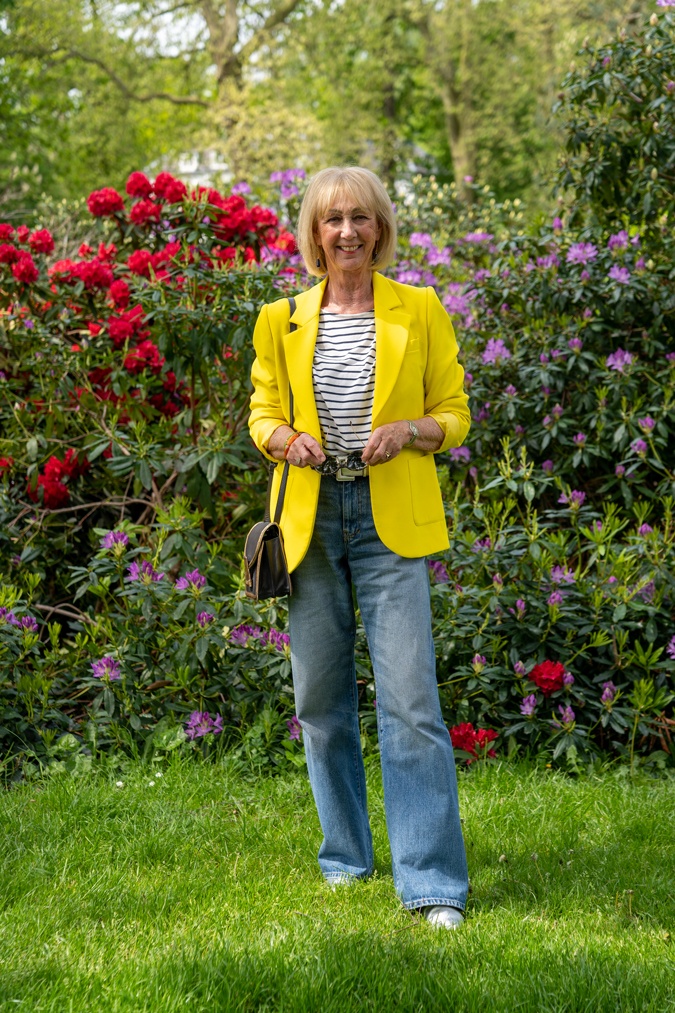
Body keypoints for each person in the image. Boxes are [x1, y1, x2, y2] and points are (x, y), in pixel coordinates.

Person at [249, 166, 471, 930]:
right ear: (313, 233)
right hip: (312, 523)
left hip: (389, 523)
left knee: (410, 703)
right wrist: (285, 437)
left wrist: (411, 430)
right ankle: (345, 858)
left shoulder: (420, 310)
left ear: (380, 228)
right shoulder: (279, 318)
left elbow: (454, 411)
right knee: (319, 702)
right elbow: (261, 411)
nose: (348, 231)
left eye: (362, 218)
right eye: (332, 219)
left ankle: (433, 881)